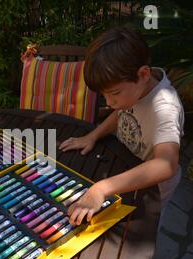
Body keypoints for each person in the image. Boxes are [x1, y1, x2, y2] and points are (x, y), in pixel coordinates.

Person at [59, 25, 184, 226]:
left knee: (145, 227)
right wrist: (93, 135)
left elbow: (166, 164)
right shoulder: (135, 90)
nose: (108, 102)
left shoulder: (164, 107)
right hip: (126, 163)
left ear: (143, 74)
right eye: (104, 94)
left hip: (153, 188)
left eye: (114, 93)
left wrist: (101, 188)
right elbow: (122, 112)